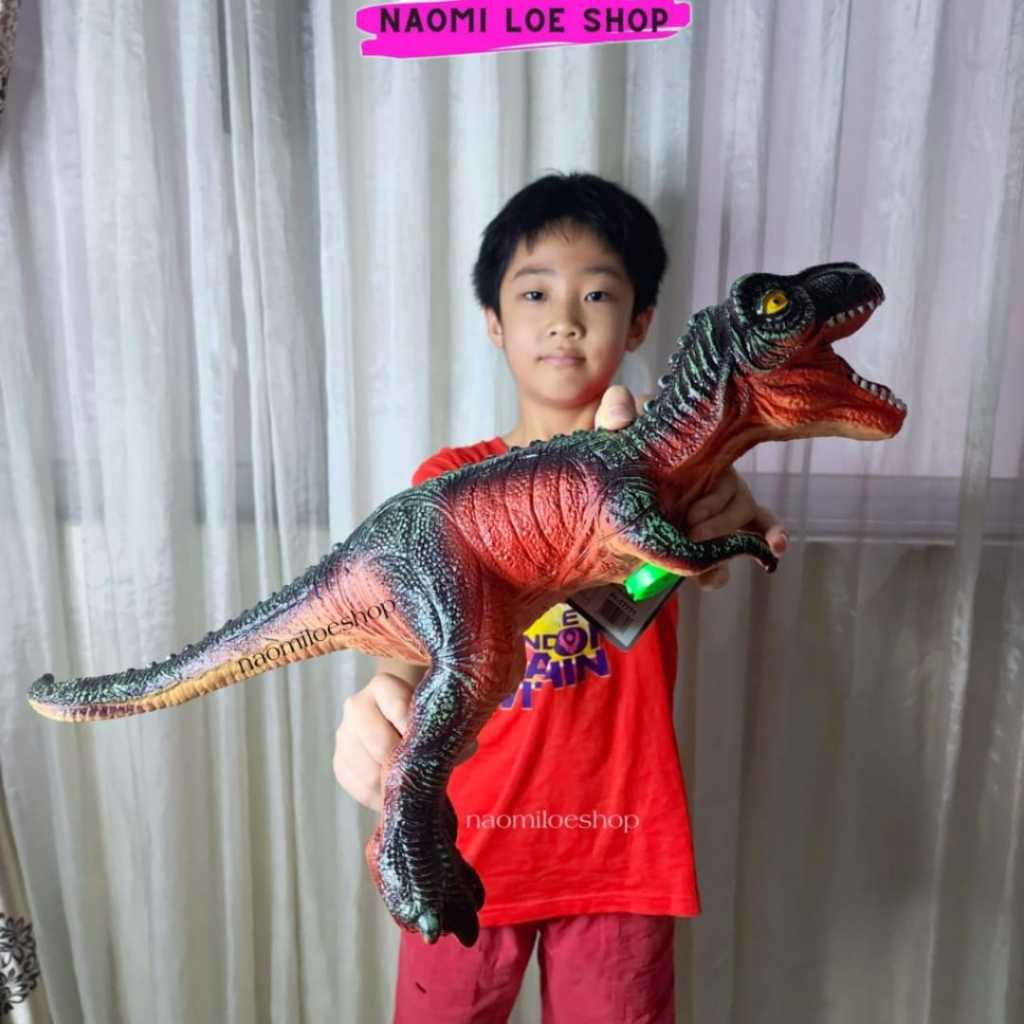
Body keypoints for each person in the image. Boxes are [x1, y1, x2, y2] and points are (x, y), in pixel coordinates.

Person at [333, 172, 789, 1023]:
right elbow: (409, 642)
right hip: (466, 842)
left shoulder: (671, 471)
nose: (566, 318)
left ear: (640, 322)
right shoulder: (448, 480)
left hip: (622, 853)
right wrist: (385, 691)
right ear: (494, 321)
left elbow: (722, 522)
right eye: (536, 292)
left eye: (599, 293)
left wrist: (722, 501)